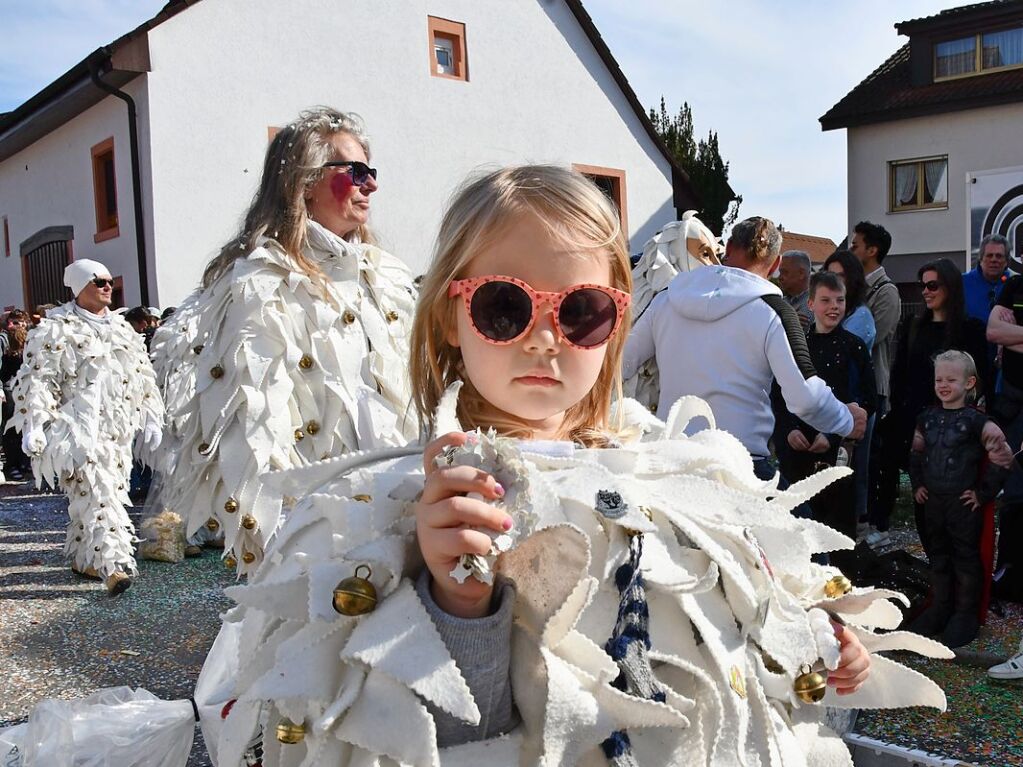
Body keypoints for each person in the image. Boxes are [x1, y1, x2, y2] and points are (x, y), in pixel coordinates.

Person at [194, 166, 952, 767]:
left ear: (616, 324)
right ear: (450, 321)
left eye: (580, 309)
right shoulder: (406, 503)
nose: (544, 339)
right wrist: (457, 602)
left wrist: (815, 649)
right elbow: (437, 736)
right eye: (504, 306)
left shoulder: (680, 473)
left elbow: (749, 635)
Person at [149, 106, 417, 573]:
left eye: (371, 172)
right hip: (315, 537)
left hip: (400, 515)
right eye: (354, 172)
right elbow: (251, 428)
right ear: (305, 181)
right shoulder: (258, 283)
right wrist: (282, 548)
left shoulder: (388, 276)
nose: (370, 185)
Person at [623, 216, 866, 482]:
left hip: (672, 463)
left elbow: (619, 365)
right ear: (775, 264)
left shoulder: (667, 299)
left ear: (726, 249)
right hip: (739, 465)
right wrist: (847, 421)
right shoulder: (774, 311)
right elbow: (805, 397)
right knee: (804, 523)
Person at [6, 259, 164, 594]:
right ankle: (113, 566)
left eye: (109, 280)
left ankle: (84, 557)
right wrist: (34, 423)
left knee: (101, 492)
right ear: (80, 287)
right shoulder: (54, 328)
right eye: (99, 282)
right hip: (77, 428)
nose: (108, 286)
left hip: (117, 429)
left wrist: (150, 414)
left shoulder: (123, 328)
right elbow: (38, 381)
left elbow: (142, 376)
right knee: (99, 492)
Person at [872, 259, 990, 549]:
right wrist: (901, 417)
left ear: (949, 287)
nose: (925, 291)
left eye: (932, 285)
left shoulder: (970, 328)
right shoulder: (914, 326)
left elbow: (981, 377)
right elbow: (901, 374)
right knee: (923, 498)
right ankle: (933, 572)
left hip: (955, 428)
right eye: (922, 284)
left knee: (953, 504)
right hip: (916, 422)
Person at [907, 350, 1011, 647]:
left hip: (963, 505)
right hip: (934, 502)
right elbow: (916, 454)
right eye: (939, 378)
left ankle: (966, 614)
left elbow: (1001, 456)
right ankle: (940, 607)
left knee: (965, 558)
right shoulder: (925, 418)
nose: (943, 384)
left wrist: (983, 493)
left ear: (969, 383)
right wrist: (918, 485)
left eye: (951, 379)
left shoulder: (979, 422)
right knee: (938, 556)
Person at [774, 272, 876, 571]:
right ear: (810, 304)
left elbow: (867, 399)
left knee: (836, 525)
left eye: (840, 300)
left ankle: (839, 588)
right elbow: (778, 395)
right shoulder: (796, 346)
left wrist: (832, 436)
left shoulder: (854, 346)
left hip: (837, 452)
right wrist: (788, 429)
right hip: (797, 449)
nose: (834, 307)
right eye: (826, 300)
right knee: (799, 521)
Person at [822, 249, 877, 541]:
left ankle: (855, 532)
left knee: (853, 470)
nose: (834, 281)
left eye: (840, 275)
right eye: (830, 274)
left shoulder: (861, 317)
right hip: (828, 405)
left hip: (855, 404)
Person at [1, 310, 31, 481]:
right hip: (10, 388)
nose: (12, 326)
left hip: (26, 388)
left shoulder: (31, 339)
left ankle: (24, 462)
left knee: (27, 426)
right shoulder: (4, 340)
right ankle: (12, 465)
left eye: (17, 323)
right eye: (10, 322)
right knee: (12, 428)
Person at [963, 233, 1010, 325]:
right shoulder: (961, 283)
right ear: (980, 259)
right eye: (989, 255)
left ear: (1006, 262)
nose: (993, 260)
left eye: (999, 256)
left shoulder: (1016, 285)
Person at [778, 250, 813, 330]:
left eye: (785, 272)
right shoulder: (782, 301)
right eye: (780, 272)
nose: (780, 277)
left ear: (801, 274)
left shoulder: (815, 303)